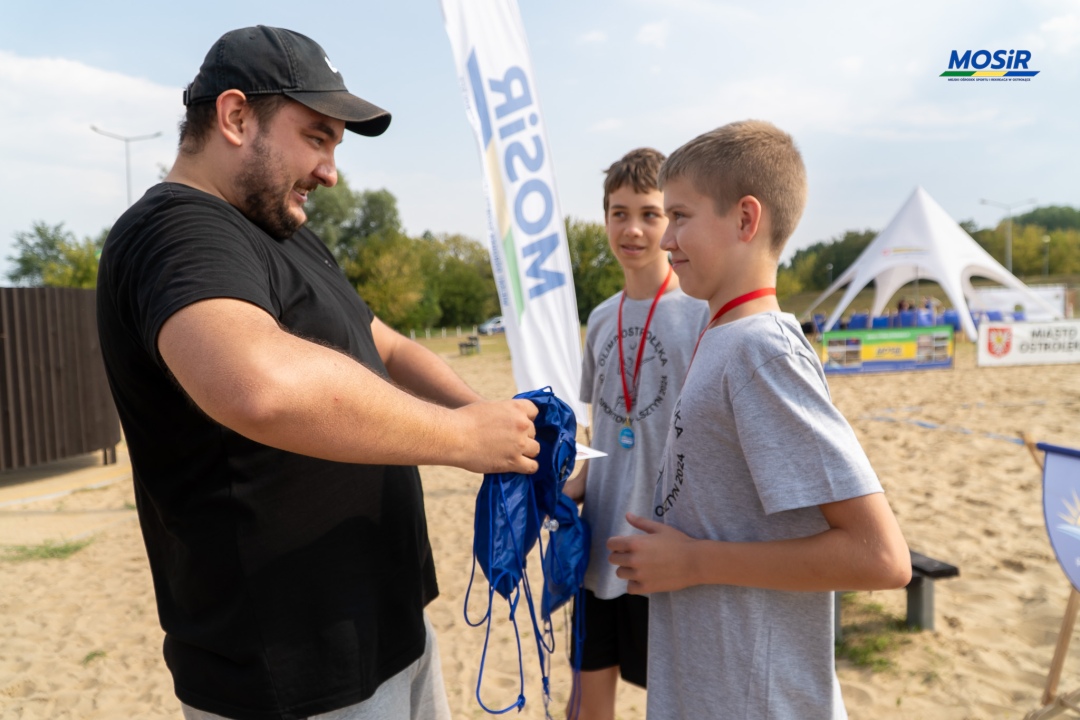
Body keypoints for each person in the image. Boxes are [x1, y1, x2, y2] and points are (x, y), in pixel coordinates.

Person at [96, 26, 540, 720]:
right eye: (317, 136)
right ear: (236, 117)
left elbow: (386, 346)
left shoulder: (281, 231)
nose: (331, 170)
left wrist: (503, 433)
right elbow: (258, 384)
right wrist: (461, 440)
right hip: (290, 672)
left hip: (384, 633)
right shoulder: (176, 231)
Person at [606, 120, 911, 719]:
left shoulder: (760, 353)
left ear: (747, 219)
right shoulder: (720, 335)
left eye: (681, 217)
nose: (667, 240)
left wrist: (695, 562)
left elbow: (880, 556)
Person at [562, 148, 707, 720]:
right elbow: (605, 426)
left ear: (670, 219)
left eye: (650, 213)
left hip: (664, 549)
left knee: (673, 705)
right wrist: (570, 487)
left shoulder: (698, 314)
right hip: (600, 547)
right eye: (618, 213)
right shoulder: (599, 319)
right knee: (587, 701)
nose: (633, 229)